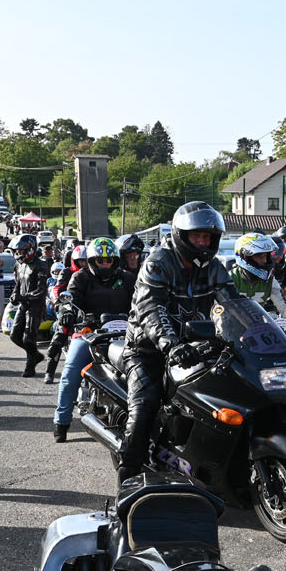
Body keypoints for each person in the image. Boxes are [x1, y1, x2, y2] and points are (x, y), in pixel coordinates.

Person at [117, 202, 239, 483]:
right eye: (196, 236)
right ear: (181, 235)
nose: (202, 243)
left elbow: (235, 304)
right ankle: (127, 482)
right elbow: (152, 308)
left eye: (207, 237)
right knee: (144, 407)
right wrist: (169, 344)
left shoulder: (215, 269)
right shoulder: (158, 263)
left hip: (197, 348)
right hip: (147, 350)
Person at [50, 238, 138, 440]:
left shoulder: (128, 278)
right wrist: (66, 311)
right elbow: (69, 299)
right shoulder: (80, 278)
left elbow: (141, 301)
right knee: (70, 373)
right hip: (89, 333)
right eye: (100, 261)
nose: (105, 264)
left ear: (115, 261)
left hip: (125, 334)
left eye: (108, 260)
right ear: (91, 261)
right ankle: (61, 422)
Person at [10, 236, 49, 377]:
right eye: (18, 251)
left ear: (30, 249)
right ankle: (36, 355)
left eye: (21, 250)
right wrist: (14, 295)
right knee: (14, 336)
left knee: (28, 338)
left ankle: (30, 366)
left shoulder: (41, 265)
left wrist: (24, 296)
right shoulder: (19, 264)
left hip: (36, 306)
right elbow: (18, 284)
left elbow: (41, 290)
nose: (19, 253)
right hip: (23, 305)